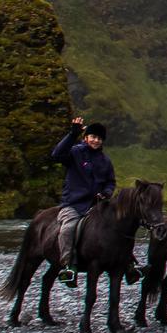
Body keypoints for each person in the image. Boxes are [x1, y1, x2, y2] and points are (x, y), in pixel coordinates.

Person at [50, 117, 116, 288]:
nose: (96, 140)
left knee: (117, 226)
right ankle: (68, 266)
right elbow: (57, 155)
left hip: (97, 205)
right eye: (93, 137)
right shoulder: (76, 152)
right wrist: (73, 134)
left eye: (99, 138)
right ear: (86, 137)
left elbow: (110, 181)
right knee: (68, 228)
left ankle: (130, 264)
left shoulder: (105, 160)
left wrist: (107, 193)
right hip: (74, 204)